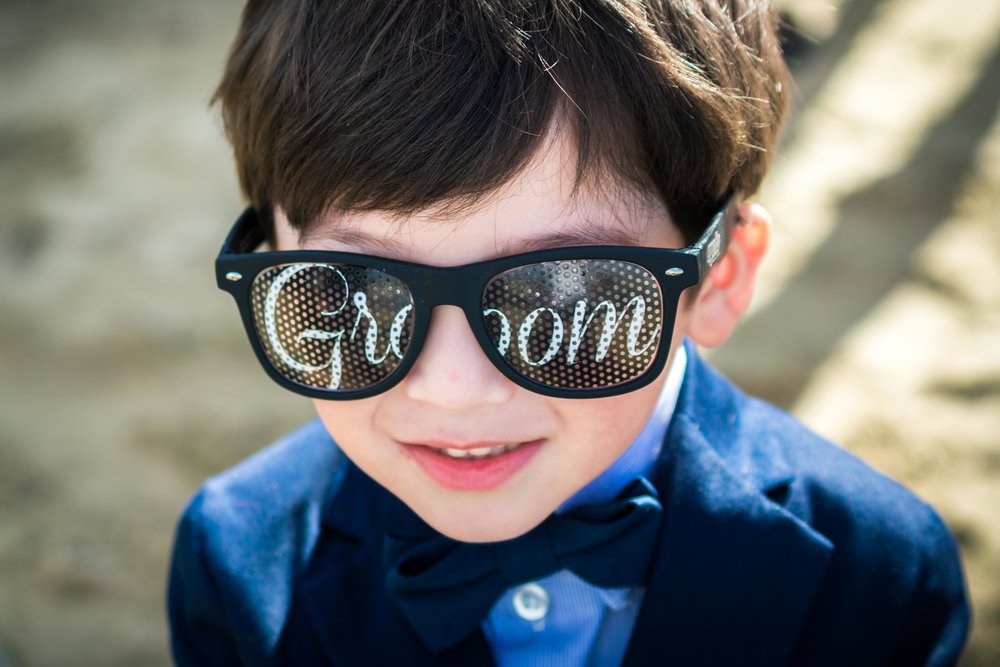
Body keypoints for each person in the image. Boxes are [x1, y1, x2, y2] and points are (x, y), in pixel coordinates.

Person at [167, 1, 970, 665]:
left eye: (562, 298)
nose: (454, 388)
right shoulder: (235, 557)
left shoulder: (882, 569)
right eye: (359, 293)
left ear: (718, 278)